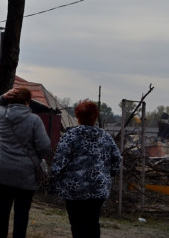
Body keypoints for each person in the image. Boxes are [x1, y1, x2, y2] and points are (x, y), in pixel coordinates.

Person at [49, 100, 122, 238]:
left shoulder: (70, 136)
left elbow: (59, 162)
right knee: (93, 222)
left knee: (77, 224)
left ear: (78, 117)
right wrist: (107, 175)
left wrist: (53, 183)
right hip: (98, 188)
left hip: (74, 188)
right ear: (95, 117)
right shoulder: (106, 137)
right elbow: (117, 159)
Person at [0, 87, 52, 238]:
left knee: (2, 209)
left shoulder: (2, 115)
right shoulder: (34, 120)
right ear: (27, 102)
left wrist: (4, 96)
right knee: (22, 213)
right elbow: (44, 148)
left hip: (2, 171)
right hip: (26, 174)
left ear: (10, 100)